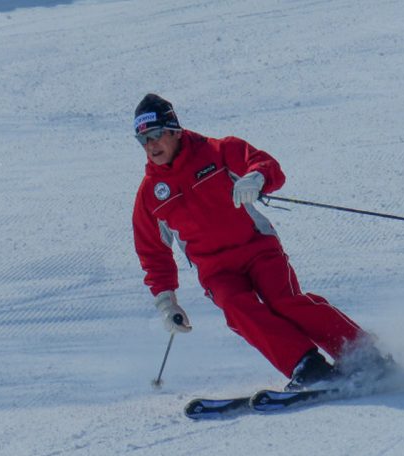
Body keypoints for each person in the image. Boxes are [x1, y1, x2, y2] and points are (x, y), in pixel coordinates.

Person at [131, 93, 385, 390]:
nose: (151, 145)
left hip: (257, 248)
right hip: (216, 271)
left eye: (156, 134)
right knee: (237, 309)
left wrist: (257, 178)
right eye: (143, 140)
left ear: (174, 129)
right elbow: (153, 253)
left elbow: (265, 164)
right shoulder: (150, 195)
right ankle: (307, 366)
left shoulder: (218, 151)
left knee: (284, 302)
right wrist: (167, 303)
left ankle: (361, 352)